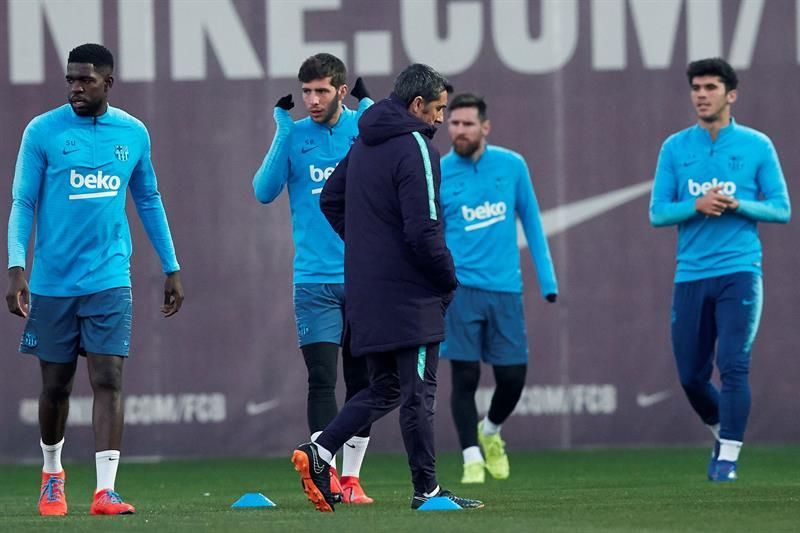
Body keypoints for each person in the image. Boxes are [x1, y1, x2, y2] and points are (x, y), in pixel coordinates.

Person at [290, 63, 483, 513]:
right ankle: (427, 491)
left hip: (366, 291)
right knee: (418, 394)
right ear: (417, 106)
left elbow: (329, 199)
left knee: (384, 390)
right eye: (437, 109)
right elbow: (424, 231)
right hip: (409, 295)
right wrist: (446, 280)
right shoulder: (416, 145)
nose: (440, 120)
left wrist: (367, 250)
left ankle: (319, 452)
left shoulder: (364, 142)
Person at [5, 43, 184, 516]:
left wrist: (171, 265)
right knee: (57, 386)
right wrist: (16, 266)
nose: (75, 88)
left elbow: (149, 199)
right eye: (70, 79)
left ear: (109, 81)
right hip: (52, 282)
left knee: (108, 377)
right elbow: (23, 202)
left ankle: (106, 490)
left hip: (109, 277)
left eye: (85, 80)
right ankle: (52, 474)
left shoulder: (132, 133)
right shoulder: (42, 131)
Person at [649, 57, 790, 482]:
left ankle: (728, 456)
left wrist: (737, 204)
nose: (701, 95)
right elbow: (657, 213)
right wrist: (696, 205)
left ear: (731, 94)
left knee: (733, 364)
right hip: (690, 274)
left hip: (739, 271)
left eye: (710, 87)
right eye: (696, 88)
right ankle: (720, 431)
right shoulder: (675, 148)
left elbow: (781, 209)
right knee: (692, 376)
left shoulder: (756, 145)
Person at [252, 53, 374, 503]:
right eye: (306, 92)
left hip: (364, 279)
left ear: (341, 91)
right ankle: (327, 475)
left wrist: (371, 114)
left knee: (363, 381)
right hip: (313, 281)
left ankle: (353, 479)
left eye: (322, 91)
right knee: (322, 379)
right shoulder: (295, 135)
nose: (312, 100)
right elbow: (263, 192)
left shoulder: (361, 131)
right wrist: (283, 131)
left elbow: (393, 172)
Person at [439, 94, 558, 484]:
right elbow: (431, 236)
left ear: (484, 127)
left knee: (512, 378)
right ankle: (471, 457)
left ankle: (490, 432)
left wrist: (548, 281)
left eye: (467, 124)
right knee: (465, 377)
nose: (459, 130)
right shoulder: (439, 172)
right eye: (453, 124)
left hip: (505, 291)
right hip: (460, 292)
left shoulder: (511, 165)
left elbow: (534, 224)